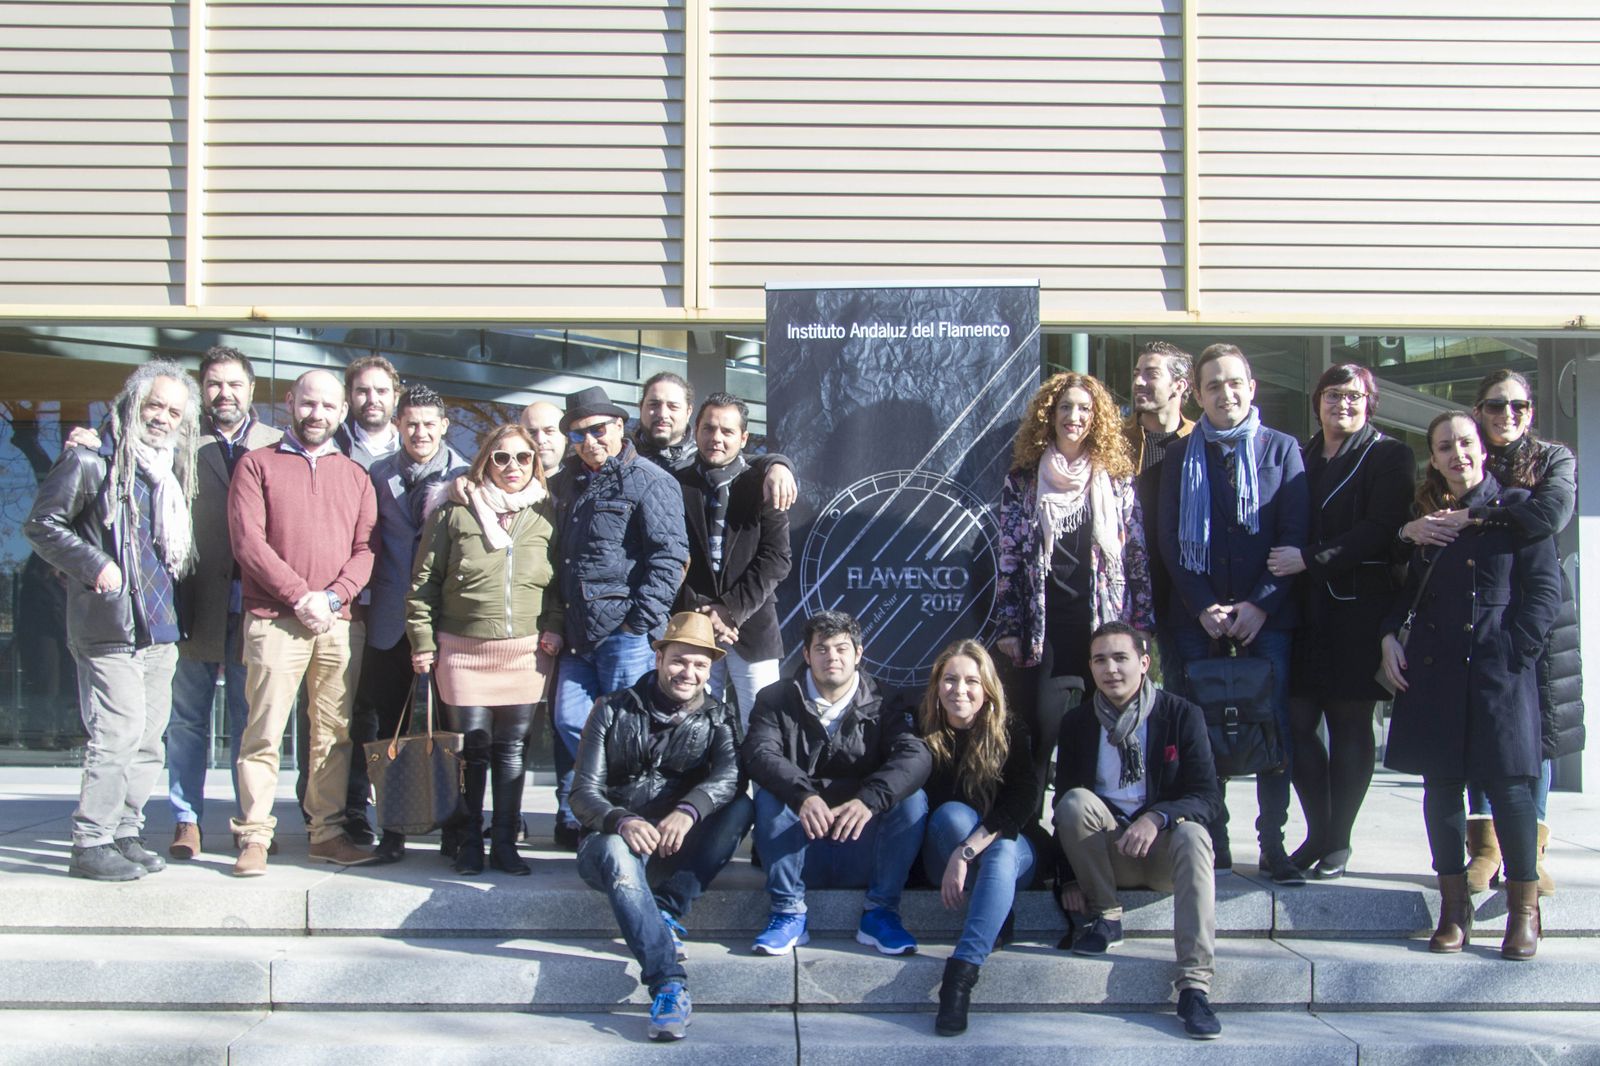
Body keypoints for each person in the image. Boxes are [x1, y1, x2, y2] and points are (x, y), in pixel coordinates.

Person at [62, 347, 282, 861]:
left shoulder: (276, 444)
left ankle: (250, 823)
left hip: (255, 604)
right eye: (213, 385)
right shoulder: (180, 441)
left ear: (252, 390)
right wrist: (88, 441)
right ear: (203, 392)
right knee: (182, 722)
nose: (224, 393)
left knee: (250, 722)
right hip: (189, 604)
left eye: (234, 384)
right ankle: (186, 819)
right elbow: (116, 458)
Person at [1380, 411, 1560, 960]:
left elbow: (1545, 592)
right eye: (1443, 447)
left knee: (1510, 789)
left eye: (1465, 443)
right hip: (1435, 670)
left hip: (1498, 670)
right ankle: (1454, 910)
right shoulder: (1428, 520)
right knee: (1442, 789)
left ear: (1482, 448)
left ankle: (1523, 913)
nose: (1457, 454)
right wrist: (1389, 634)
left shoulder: (1518, 512)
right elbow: (1404, 591)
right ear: (1432, 459)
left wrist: (1514, 653)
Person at [1405, 370, 1582, 897]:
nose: (1508, 415)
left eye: (1519, 406)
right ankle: (1484, 853)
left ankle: (1529, 860)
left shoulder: (1549, 461)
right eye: (1496, 405)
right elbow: (1408, 580)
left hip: (1521, 636)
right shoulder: (1435, 503)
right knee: (1462, 763)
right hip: (1460, 649)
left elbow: (1547, 516)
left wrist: (1516, 648)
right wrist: (1410, 528)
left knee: (1527, 750)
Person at [24, 360, 201, 881]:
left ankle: (125, 831)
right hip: (109, 624)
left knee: (148, 739)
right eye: (155, 406)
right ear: (132, 404)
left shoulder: (172, 472)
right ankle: (91, 840)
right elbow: (40, 525)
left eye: (174, 411)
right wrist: (94, 563)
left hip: (159, 627)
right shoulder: (91, 459)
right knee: (117, 733)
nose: (164, 418)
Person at [1157, 343, 1308, 882]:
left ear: (1252, 386)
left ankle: (1273, 845)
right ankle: (1213, 840)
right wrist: (1202, 607)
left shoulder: (1282, 449)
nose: (1226, 393)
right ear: (1196, 394)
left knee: (1273, 732)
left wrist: (1259, 605)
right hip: (1196, 621)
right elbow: (1171, 541)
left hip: (1266, 619)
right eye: (1213, 385)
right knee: (1199, 731)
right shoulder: (1177, 456)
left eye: (1234, 382)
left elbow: (1294, 536)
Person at [570, 612, 755, 1042]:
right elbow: (582, 793)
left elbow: (730, 777)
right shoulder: (610, 709)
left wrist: (690, 810)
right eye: (679, 661)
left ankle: (667, 909)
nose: (688, 673)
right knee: (617, 851)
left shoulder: (718, 716)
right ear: (658, 658)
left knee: (742, 809)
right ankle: (669, 983)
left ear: (710, 670)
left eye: (699, 665)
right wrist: (621, 819)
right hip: (609, 846)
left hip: (676, 848)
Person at [227, 369, 379, 876]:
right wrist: (300, 597)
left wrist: (333, 598)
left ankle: (327, 832)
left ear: (342, 413)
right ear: (290, 402)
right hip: (274, 619)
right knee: (264, 731)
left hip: (337, 622)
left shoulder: (356, 476)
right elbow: (249, 545)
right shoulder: (256, 465)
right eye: (309, 404)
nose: (318, 415)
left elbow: (367, 550)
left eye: (329, 407)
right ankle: (253, 835)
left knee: (333, 734)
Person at [1266, 364, 1413, 879]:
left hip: (1357, 607)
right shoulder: (1300, 454)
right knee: (1299, 724)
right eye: (1332, 395)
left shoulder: (1389, 455)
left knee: (1350, 724)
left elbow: (1381, 529)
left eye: (1353, 396)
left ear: (1369, 402)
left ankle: (1339, 841)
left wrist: (1310, 558)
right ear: (1317, 400)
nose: (1342, 404)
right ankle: (1320, 832)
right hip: (1305, 611)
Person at [1053, 622, 1223, 1040]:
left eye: (1120, 658)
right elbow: (1063, 803)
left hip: (1164, 854)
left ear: (1144, 663)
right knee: (1074, 802)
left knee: (1196, 834)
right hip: (1109, 857)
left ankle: (1194, 986)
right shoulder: (1077, 723)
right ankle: (1107, 917)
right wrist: (1069, 878)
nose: (1110, 669)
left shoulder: (1181, 715)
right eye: (1100, 660)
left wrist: (1159, 817)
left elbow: (1207, 797)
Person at [408, 424, 563, 875]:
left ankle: (505, 843)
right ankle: (469, 840)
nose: (512, 467)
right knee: (473, 749)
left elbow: (559, 586)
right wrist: (421, 641)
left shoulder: (547, 514)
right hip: (463, 651)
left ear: (535, 463)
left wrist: (554, 627)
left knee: (511, 749)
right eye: (501, 457)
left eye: (522, 458)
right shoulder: (453, 511)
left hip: (525, 653)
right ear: (484, 462)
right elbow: (423, 585)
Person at [996, 371, 1153, 812]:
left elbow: (1135, 554)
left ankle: (1088, 830)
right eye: (1066, 407)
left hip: (1103, 627)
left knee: (1099, 736)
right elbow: (1007, 557)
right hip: (1044, 630)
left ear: (1096, 417)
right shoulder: (1024, 480)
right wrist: (1009, 624)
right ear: (1050, 415)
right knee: (1040, 736)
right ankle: (1028, 833)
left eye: (1084, 408)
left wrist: (1141, 626)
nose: (1074, 416)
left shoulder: (1116, 480)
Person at [742, 610, 931, 957]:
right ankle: (787, 912)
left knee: (912, 800)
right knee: (770, 793)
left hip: (862, 845)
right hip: (799, 846)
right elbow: (759, 753)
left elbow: (915, 756)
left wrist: (869, 800)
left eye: (842, 649)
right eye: (822, 648)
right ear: (806, 654)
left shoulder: (887, 701)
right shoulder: (775, 698)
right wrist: (801, 795)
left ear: (859, 654)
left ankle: (881, 913)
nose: (832, 657)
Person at [547, 385, 688, 849]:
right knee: (571, 719)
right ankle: (596, 807)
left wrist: (640, 622)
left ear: (619, 427)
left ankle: (624, 819)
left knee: (631, 734)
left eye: (598, 430)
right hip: (576, 634)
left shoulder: (648, 479)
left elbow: (671, 557)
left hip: (625, 634)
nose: (589, 441)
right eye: (578, 434)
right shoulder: (564, 481)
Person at [348, 385, 469, 863]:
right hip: (390, 621)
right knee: (384, 728)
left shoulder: (467, 475)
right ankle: (393, 827)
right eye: (411, 423)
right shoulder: (378, 473)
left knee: (453, 726)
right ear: (398, 425)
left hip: (447, 622)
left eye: (428, 423)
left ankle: (456, 827)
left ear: (444, 426)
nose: (420, 431)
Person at [915, 639, 1037, 1037]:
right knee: (953, 815)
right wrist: (958, 852)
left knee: (1001, 851)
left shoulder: (1011, 730)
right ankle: (995, 912)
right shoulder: (924, 733)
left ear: (987, 687)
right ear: (937, 686)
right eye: (949, 680)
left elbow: (1022, 803)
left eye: (970, 680)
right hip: (943, 854)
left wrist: (967, 853)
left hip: (1004, 852)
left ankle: (960, 977)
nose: (959, 690)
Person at [672, 391, 792, 726]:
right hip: (691, 626)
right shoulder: (675, 485)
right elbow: (670, 555)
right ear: (696, 431)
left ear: (743, 438)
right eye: (709, 428)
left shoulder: (765, 483)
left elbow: (777, 558)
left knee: (763, 728)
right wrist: (704, 613)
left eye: (727, 431)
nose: (716, 438)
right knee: (692, 726)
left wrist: (730, 609)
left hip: (752, 629)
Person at [1122, 341, 1195, 679]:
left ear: (1179, 385)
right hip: (1128, 590)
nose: (1138, 382)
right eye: (1136, 373)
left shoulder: (1200, 440)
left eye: (1151, 374)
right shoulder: (1114, 441)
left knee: (1187, 686)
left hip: (1185, 591)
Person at [632, 370, 799, 510]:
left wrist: (778, 465)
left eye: (673, 406)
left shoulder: (703, 456)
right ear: (641, 407)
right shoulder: (620, 455)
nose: (662, 414)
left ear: (689, 411)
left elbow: (743, 460)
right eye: (654, 404)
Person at [333, 354, 402, 471]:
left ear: (395, 398)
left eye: (381, 391)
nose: (373, 400)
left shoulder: (415, 447)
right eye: (363, 391)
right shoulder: (331, 445)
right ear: (349, 397)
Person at [520, 400, 566, 480]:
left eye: (549, 431)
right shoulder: (503, 488)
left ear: (565, 437)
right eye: (532, 432)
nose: (540, 440)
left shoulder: (585, 485)